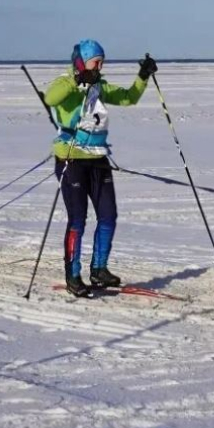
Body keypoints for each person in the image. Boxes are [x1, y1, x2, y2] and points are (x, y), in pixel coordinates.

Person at [43, 39, 158, 297]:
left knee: (108, 216)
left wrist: (143, 76)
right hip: (71, 159)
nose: (100, 66)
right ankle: (73, 275)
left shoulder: (100, 86)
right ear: (83, 61)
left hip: (98, 158)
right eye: (97, 62)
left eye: (102, 62)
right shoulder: (66, 82)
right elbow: (51, 98)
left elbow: (128, 98)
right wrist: (77, 79)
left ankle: (99, 269)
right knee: (78, 221)